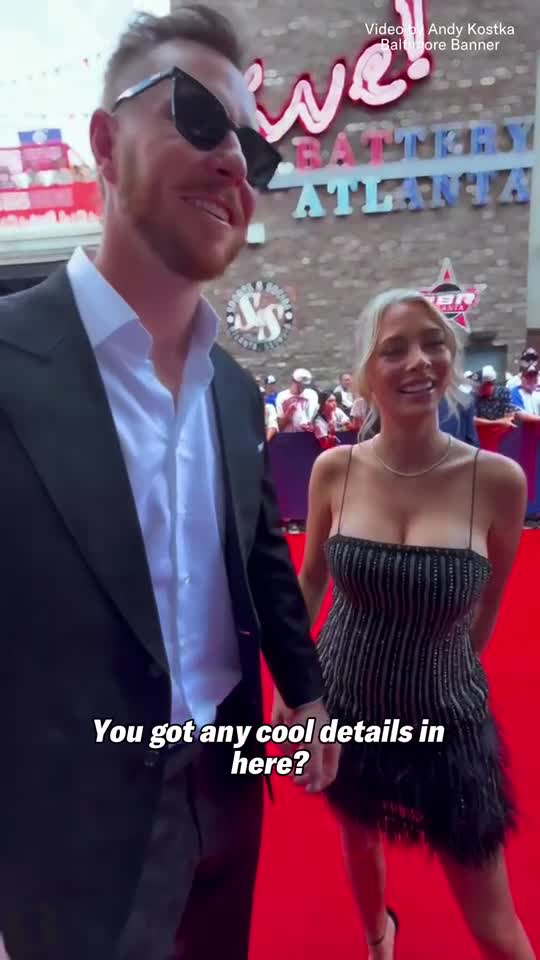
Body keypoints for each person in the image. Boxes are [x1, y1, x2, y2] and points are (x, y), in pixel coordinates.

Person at [0, 8, 339, 960]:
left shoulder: (233, 388)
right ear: (106, 143)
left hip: (228, 795)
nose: (235, 160)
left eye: (254, 148)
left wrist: (305, 696)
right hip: (68, 830)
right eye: (197, 115)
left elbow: (260, 553)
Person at [297, 289, 534, 959]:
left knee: (495, 924)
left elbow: (485, 612)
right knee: (358, 832)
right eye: (393, 349)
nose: (418, 362)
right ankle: (378, 939)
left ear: (452, 360)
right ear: (364, 375)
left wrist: (437, 685)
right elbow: (312, 577)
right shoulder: (333, 470)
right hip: (341, 704)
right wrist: (293, 684)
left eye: (433, 344)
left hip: (444, 724)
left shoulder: (498, 481)